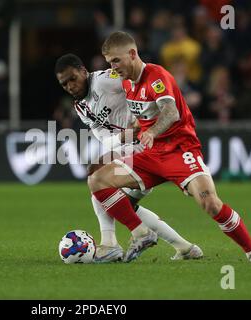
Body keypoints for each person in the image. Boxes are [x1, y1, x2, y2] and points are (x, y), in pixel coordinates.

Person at [88, 31, 251, 264]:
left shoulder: (156, 76)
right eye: (109, 62)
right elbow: (140, 119)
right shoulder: (127, 83)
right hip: (152, 155)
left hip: (180, 151)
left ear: (132, 54)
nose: (113, 67)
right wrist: (127, 135)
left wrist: (152, 132)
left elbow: (170, 113)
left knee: (210, 203)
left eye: (116, 60)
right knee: (98, 179)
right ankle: (141, 233)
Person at [55, 53, 203, 263]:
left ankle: (112, 243)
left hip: (148, 144)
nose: (70, 86)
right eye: (64, 84)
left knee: (97, 179)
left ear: (83, 71)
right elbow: (103, 136)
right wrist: (120, 138)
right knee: (121, 204)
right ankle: (184, 247)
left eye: (72, 79)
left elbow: (139, 81)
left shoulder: (107, 79)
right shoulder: (81, 107)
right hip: (129, 146)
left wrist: (143, 120)